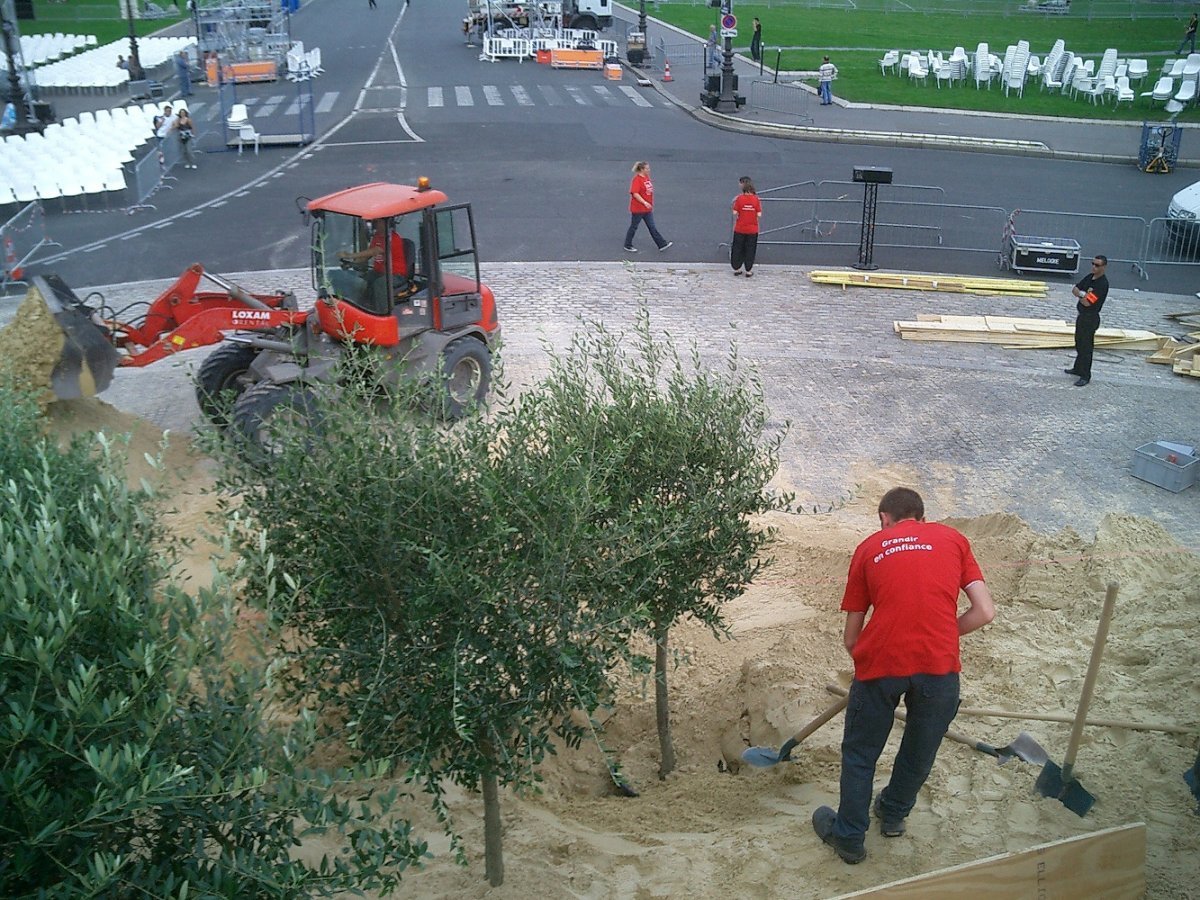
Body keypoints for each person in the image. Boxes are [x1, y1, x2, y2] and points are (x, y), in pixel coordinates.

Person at [812, 487, 995, 865]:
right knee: (920, 748)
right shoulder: (954, 539)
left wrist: (867, 661)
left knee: (861, 754)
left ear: (884, 518)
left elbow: (851, 637)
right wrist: (940, 634)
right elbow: (984, 612)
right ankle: (893, 815)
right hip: (940, 668)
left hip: (882, 663)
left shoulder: (869, 547)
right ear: (921, 516)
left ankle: (849, 838)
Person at [1065, 255, 1109, 387]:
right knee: (1078, 342)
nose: (1094, 267)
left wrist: (1081, 294)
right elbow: (1075, 289)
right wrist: (1082, 294)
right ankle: (1077, 368)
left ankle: (1085, 375)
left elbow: (1087, 303)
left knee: (1086, 347)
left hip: (1090, 318)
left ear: (1104, 267)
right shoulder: (1089, 277)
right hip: (1082, 316)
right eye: (1093, 264)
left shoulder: (1102, 284)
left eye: (1097, 265)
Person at [623, 161, 672, 253]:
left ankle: (661, 244)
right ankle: (627, 244)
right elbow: (635, 193)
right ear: (642, 169)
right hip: (638, 209)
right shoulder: (637, 180)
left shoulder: (646, 177)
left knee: (652, 226)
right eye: (647, 168)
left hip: (647, 209)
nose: (649, 170)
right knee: (634, 226)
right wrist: (644, 202)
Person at [730, 176, 762, 277]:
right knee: (750, 249)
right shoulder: (756, 199)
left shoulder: (739, 199)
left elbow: (735, 212)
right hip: (752, 229)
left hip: (740, 228)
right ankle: (748, 270)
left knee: (737, 247)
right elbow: (759, 214)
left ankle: (737, 268)